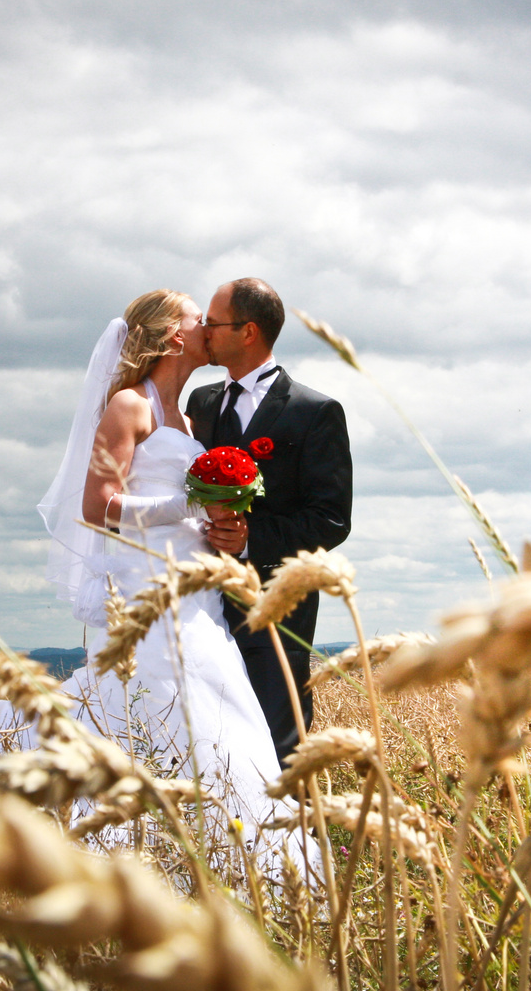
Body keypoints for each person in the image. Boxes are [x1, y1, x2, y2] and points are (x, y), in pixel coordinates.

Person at [38, 289, 288, 832]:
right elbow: (97, 505)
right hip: (146, 592)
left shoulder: (191, 420)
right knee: (159, 706)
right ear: (176, 335)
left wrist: (217, 525)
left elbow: (179, 513)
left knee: (219, 716)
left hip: (197, 593)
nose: (211, 328)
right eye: (203, 320)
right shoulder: (131, 404)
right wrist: (188, 504)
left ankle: (221, 839)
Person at [186, 278, 352, 766]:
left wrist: (249, 539)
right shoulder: (199, 404)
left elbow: (331, 519)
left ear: (248, 332)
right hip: (198, 608)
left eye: (212, 323)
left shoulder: (315, 412)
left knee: (277, 754)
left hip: (276, 609)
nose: (204, 331)